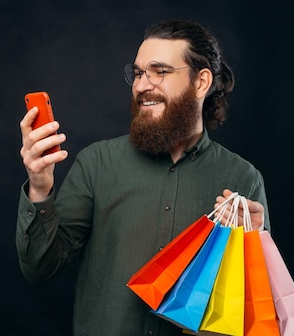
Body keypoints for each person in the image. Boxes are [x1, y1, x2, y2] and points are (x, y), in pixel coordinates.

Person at [16, 19, 270, 336]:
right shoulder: (97, 164)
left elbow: (251, 313)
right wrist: (40, 190)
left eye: (159, 72)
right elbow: (40, 267)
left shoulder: (243, 178)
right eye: (137, 73)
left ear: (201, 82)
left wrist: (252, 244)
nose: (140, 86)